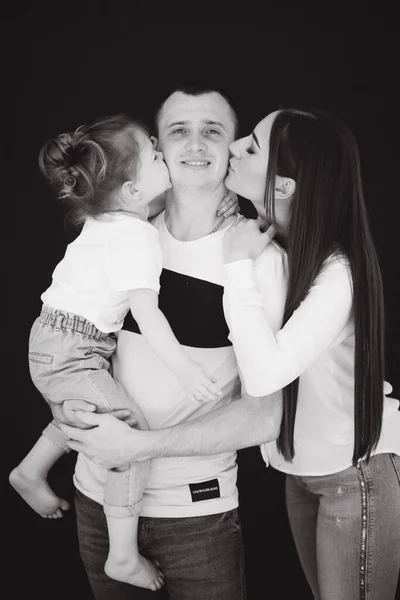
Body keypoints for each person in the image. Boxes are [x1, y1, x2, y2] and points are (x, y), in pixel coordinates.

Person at [61, 108, 400, 600]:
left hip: (353, 467)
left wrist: (238, 262)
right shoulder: (255, 235)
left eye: (249, 146)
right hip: (296, 469)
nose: (232, 148)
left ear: (283, 186)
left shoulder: (326, 271)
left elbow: (264, 382)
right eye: (175, 135)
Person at [43, 84, 279, 600]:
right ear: (157, 152)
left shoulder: (256, 258)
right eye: (178, 132)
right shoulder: (123, 238)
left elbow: (265, 416)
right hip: (95, 500)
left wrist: (138, 444)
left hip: (197, 518)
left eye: (213, 131)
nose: (196, 143)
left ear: (232, 147)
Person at [8, 112, 236, 592]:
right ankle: (123, 555)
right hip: (74, 350)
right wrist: (186, 368)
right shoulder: (137, 237)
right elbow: (148, 316)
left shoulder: (110, 219)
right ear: (133, 190)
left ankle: (30, 470)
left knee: (93, 411)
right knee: (125, 434)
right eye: (155, 153)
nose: (161, 152)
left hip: (56, 341)